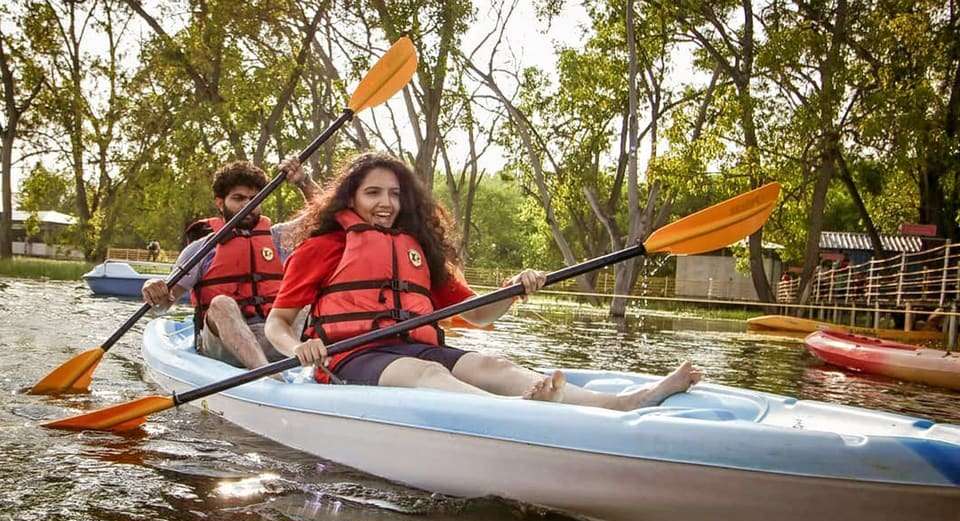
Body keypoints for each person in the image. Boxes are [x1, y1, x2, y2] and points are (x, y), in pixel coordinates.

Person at [265, 152, 701, 411]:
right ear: (351, 198)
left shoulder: (418, 249)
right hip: (353, 356)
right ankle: (517, 413)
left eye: (395, 193)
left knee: (493, 365)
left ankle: (625, 403)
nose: (386, 203)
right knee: (427, 372)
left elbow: (475, 312)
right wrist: (298, 347)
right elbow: (278, 324)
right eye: (373, 193)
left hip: (415, 345)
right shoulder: (325, 245)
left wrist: (514, 289)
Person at [142, 159, 315, 370]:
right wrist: (153, 287)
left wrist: (303, 181)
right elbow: (163, 304)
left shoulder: (279, 237)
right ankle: (267, 375)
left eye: (254, 199)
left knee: (304, 297)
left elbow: (326, 215)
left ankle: (312, 366)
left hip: (277, 339)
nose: (247, 205)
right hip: (224, 349)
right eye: (238, 198)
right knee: (221, 303)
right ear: (220, 202)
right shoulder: (200, 250)